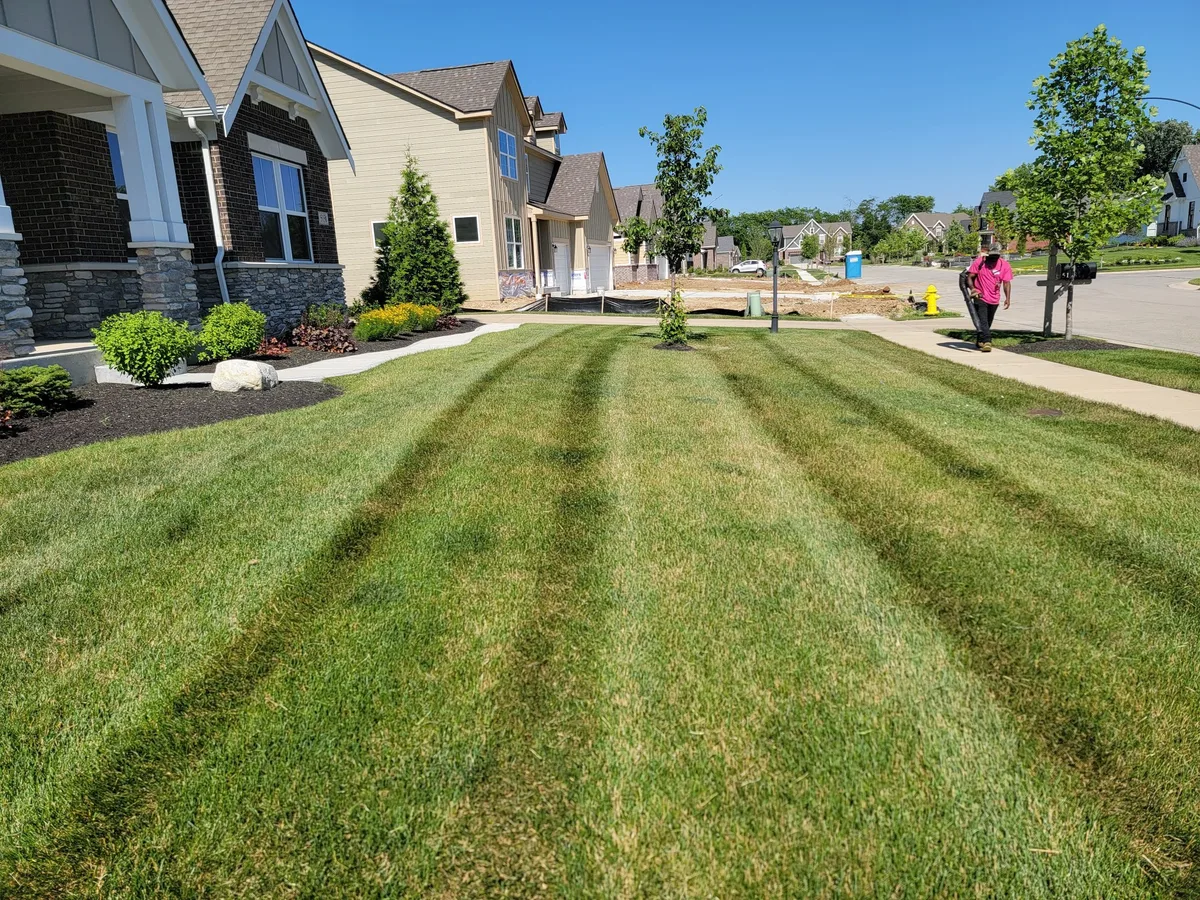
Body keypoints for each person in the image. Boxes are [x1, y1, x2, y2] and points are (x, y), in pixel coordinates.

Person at [966, 243, 1013, 351]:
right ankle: (987, 341)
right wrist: (973, 288)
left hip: (994, 298)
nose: (994, 257)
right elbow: (970, 276)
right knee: (983, 320)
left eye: (996, 255)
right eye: (992, 255)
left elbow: (1006, 283)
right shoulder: (980, 262)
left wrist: (1008, 298)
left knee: (988, 321)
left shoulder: (1005, 265)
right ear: (988, 253)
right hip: (980, 296)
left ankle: (980, 341)